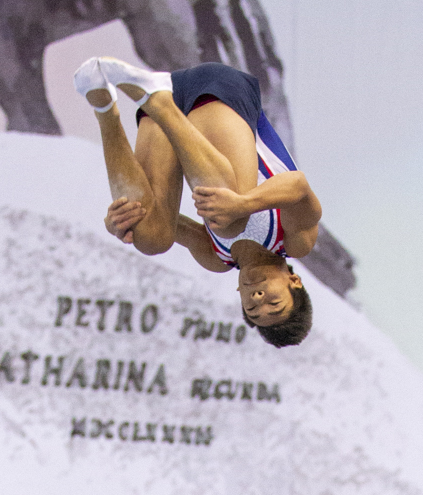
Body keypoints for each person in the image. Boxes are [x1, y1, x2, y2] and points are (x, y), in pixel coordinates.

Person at [75, 56, 320, 346]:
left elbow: (162, 219)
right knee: (229, 220)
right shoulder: (295, 242)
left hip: (165, 112)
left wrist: (120, 220)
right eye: (274, 303)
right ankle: (160, 102)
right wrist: (244, 204)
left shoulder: (216, 259)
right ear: (294, 282)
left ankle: (104, 107)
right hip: (220, 94)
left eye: (252, 308)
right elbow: (299, 186)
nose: (258, 297)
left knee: (150, 238)